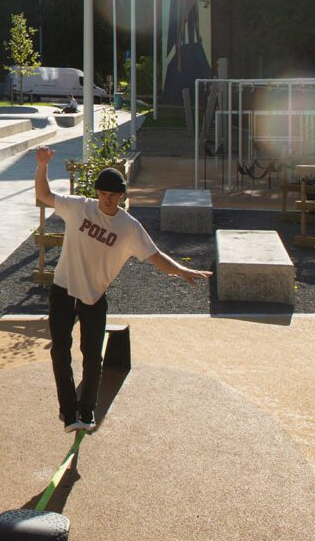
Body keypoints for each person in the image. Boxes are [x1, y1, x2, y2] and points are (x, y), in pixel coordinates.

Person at [33, 146, 210, 432]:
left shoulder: (129, 227)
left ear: (122, 197)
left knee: (93, 357)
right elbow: (44, 195)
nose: (107, 199)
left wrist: (182, 271)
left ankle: (87, 411)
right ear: (97, 193)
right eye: (103, 193)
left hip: (93, 297)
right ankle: (68, 412)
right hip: (63, 290)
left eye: (113, 195)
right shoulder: (80, 206)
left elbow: (155, 256)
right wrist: (42, 167)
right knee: (60, 352)